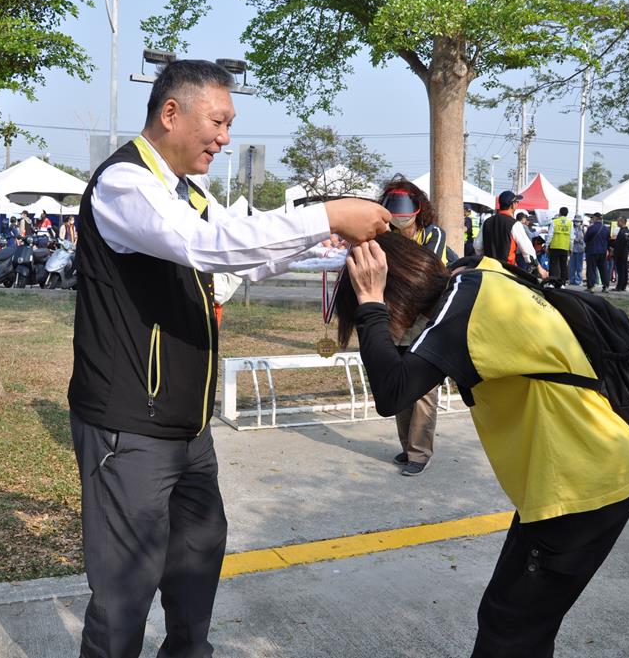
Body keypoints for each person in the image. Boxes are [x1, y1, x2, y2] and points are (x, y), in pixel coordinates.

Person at [67, 59, 390, 658]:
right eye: (218, 121)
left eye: (229, 124)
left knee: (197, 559)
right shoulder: (124, 184)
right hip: (129, 426)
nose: (225, 137)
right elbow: (208, 245)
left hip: (188, 425)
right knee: (124, 593)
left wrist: (321, 247)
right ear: (171, 113)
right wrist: (326, 213)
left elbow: (237, 261)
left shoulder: (188, 192)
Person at [334, 233, 629, 658]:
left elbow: (392, 392)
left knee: (508, 630)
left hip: (580, 489)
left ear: (395, 295)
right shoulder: (476, 276)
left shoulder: (465, 311)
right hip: (578, 478)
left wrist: (369, 301)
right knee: (520, 623)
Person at [379, 176, 457, 476]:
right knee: (400, 386)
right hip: (395, 319)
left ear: (418, 210)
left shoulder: (433, 235)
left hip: (427, 321)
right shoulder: (384, 236)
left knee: (424, 390)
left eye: (405, 212)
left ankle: (420, 453)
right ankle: (407, 446)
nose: (400, 219)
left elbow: (423, 272)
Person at [474, 191, 547, 278]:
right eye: (517, 202)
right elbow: (527, 250)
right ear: (512, 205)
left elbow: (477, 246)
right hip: (506, 270)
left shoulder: (487, 222)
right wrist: (539, 268)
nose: (518, 204)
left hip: (488, 269)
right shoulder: (514, 224)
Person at [583, 212, 610, 293]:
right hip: (603, 251)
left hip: (592, 251)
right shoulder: (606, 228)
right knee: (603, 269)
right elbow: (608, 239)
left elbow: (586, 239)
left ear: (595, 218)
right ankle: (606, 286)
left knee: (591, 269)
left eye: (592, 218)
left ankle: (591, 286)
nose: (592, 219)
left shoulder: (591, 228)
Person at [547, 206, 572, 283]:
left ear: (559, 213)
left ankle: (552, 282)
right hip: (565, 247)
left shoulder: (554, 222)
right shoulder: (570, 223)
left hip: (554, 246)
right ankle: (562, 283)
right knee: (563, 265)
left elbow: (550, 235)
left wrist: (547, 245)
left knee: (553, 265)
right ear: (567, 213)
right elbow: (572, 238)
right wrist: (571, 248)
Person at [610, 216, 629, 292]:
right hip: (624, 254)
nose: (617, 223)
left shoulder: (623, 232)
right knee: (624, 270)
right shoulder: (626, 231)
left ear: (622, 222)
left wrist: (614, 250)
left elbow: (620, 244)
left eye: (618, 221)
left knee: (621, 271)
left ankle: (619, 286)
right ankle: (623, 286)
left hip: (621, 254)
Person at [569, 214, 585, 285]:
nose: (577, 222)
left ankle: (579, 280)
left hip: (580, 249)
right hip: (572, 249)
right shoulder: (571, 228)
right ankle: (572, 280)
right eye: (575, 221)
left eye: (578, 221)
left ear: (581, 222)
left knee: (579, 266)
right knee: (572, 266)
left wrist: (578, 240)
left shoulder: (583, 229)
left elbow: (584, 239)